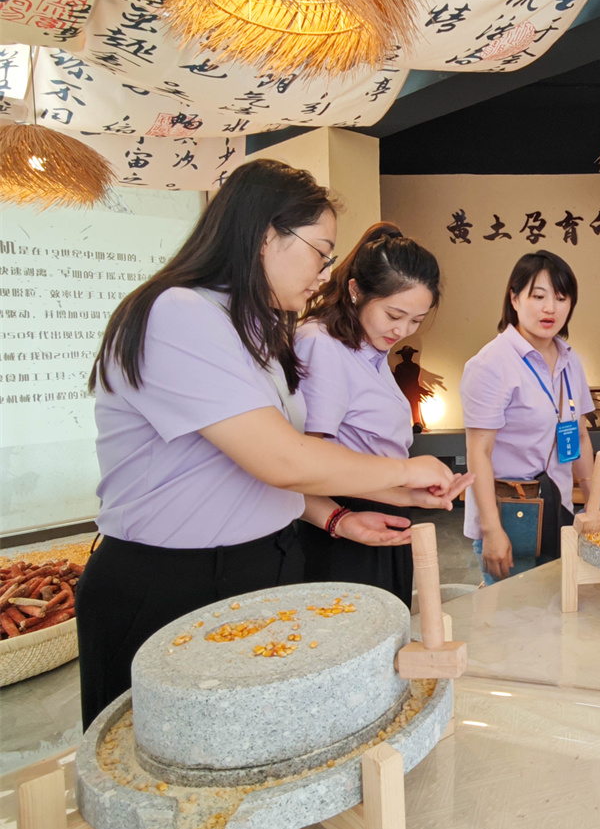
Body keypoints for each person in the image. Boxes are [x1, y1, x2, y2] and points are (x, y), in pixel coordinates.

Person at [79, 160, 458, 728]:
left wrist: (337, 519)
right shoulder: (179, 313)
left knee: (266, 749)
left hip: (264, 563)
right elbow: (282, 459)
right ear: (265, 236)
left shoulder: (256, 328)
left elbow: (258, 474)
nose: (324, 272)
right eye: (320, 252)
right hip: (174, 580)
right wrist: (404, 472)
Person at [295, 222, 471, 607]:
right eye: (394, 315)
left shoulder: (371, 351)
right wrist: (403, 477)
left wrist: (410, 495)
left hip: (378, 506)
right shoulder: (321, 344)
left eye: (416, 321)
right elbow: (307, 461)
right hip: (342, 515)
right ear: (356, 290)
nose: (402, 330)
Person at [462, 252, 597, 584]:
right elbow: (478, 452)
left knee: (559, 608)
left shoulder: (570, 360)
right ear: (514, 298)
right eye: (538, 296)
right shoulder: (491, 363)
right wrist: (492, 530)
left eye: (561, 298)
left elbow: (579, 436)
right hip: (509, 516)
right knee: (515, 613)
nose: (550, 308)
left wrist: (594, 505)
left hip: (559, 513)